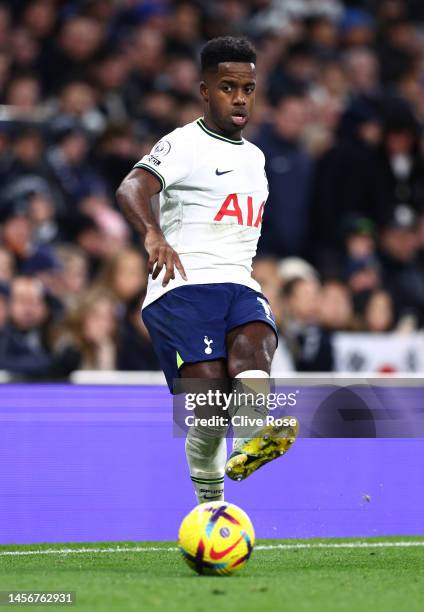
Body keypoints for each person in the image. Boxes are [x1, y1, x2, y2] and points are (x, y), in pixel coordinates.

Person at [116, 36, 298, 504]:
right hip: (183, 287)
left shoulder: (256, 158)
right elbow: (131, 187)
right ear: (204, 90)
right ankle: (211, 503)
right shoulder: (183, 143)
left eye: (248, 88)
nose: (239, 98)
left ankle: (255, 439)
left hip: (238, 281)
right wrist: (152, 234)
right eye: (227, 87)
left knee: (255, 345)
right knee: (211, 410)